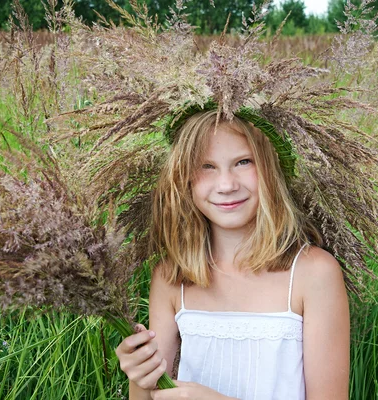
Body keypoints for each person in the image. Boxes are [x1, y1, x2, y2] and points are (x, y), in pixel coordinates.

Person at [115, 109, 350, 400]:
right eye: (207, 166)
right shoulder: (171, 278)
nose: (227, 185)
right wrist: (140, 377)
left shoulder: (313, 273)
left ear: (269, 169)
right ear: (185, 178)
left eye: (243, 162)